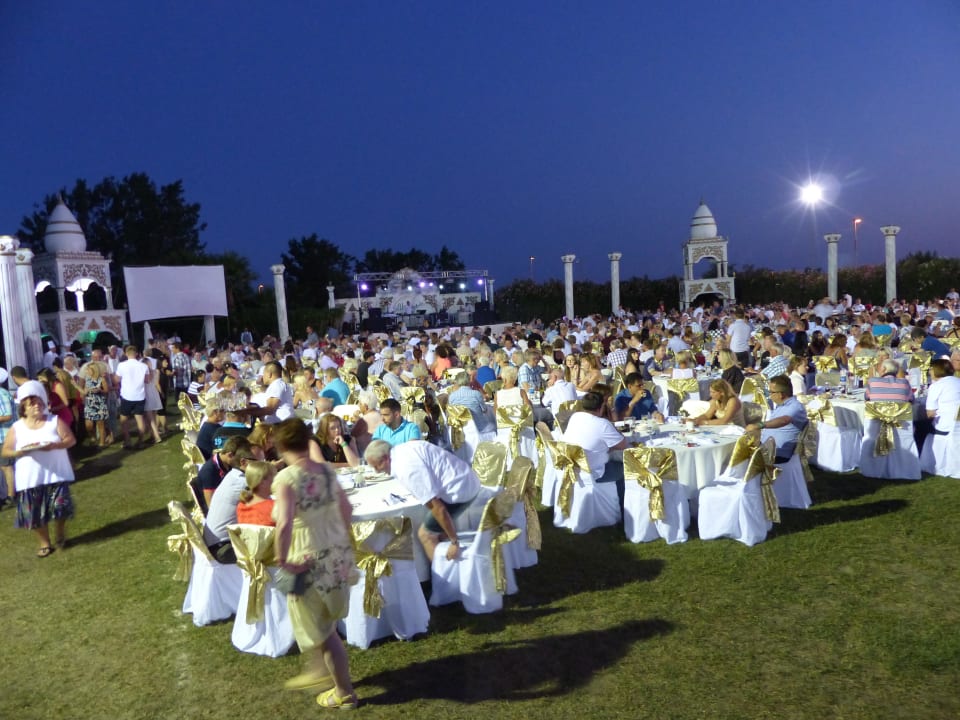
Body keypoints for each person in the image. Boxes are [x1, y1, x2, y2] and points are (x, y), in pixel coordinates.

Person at [272, 418, 358, 708]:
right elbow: (346, 508)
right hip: (335, 553)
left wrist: (281, 558)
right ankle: (322, 672)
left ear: (281, 445)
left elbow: (284, 524)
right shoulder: (325, 471)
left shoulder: (285, 479)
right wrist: (339, 539)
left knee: (323, 633)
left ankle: (343, 692)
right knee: (325, 624)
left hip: (308, 557)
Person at [363, 438, 479, 562]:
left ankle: (442, 578)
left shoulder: (406, 469)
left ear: (386, 458)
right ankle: (447, 561)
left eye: (377, 466)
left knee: (425, 535)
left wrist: (454, 542)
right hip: (465, 477)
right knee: (436, 527)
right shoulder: (402, 449)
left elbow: (438, 508)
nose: (377, 471)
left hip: (461, 490)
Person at [1, 380, 77, 557]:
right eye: (32, 404)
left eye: (39, 403)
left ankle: (59, 533)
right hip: (29, 476)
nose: (37, 406)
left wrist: (54, 446)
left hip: (55, 472)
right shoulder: (17, 427)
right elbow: (6, 450)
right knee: (33, 511)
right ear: (24, 408)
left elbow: (70, 440)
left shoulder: (54, 420)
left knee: (60, 506)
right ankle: (44, 543)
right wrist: (18, 452)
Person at [561, 390, 631, 508]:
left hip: (572, 466)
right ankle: (623, 509)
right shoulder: (602, 424)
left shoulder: (575, 416)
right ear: (602, 406)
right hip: (594, 471)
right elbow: (622, 445)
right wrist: (614, 422)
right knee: (626, 470)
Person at [202, 443, 263, 562]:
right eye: (260, 463)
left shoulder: (233, 476)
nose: (264, 466)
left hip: (218, 541)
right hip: (224, 549)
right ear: (244, 462)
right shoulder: (242, 484)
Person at [745, 375, 807, 463]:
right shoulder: (780, 406)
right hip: (766, 449)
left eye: (771, 392)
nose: (769, 395)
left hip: (778, 454)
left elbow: (784, 420)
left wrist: (759, 425)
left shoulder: (795, 406)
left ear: (781, 394)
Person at [114, 345, 149, 449]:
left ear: (126, 354)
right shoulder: (144, 366)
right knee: (139, 419)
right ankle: (140, 441)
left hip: (127, 395)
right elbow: (147, 380)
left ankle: (127, 440)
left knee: (124, 419)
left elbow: (116, 380)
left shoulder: (121, 365)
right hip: (140, 395)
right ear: (137, 354)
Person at [235, 460, 276, 526]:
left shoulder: (241, 505)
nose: (276, 481)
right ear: (262, 482)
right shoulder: (273, 506)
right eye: (274, 477)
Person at [79, 360, 110, 447]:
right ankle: (92, 437)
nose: (86, 371)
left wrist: (100, 390)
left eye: (88, 370)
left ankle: (102, 443)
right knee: (88, 424)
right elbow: (84, 391)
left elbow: (107, 390)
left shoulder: (101, 379)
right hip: (89, 403)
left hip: (100, 403)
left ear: (93, 370)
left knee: (100, 424)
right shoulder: (87, 379)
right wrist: (78, 388)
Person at [0, 368, 16, 508]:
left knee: (7, 466)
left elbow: (8, 415)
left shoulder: (1, 394)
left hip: (5, 436)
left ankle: (11, 495)